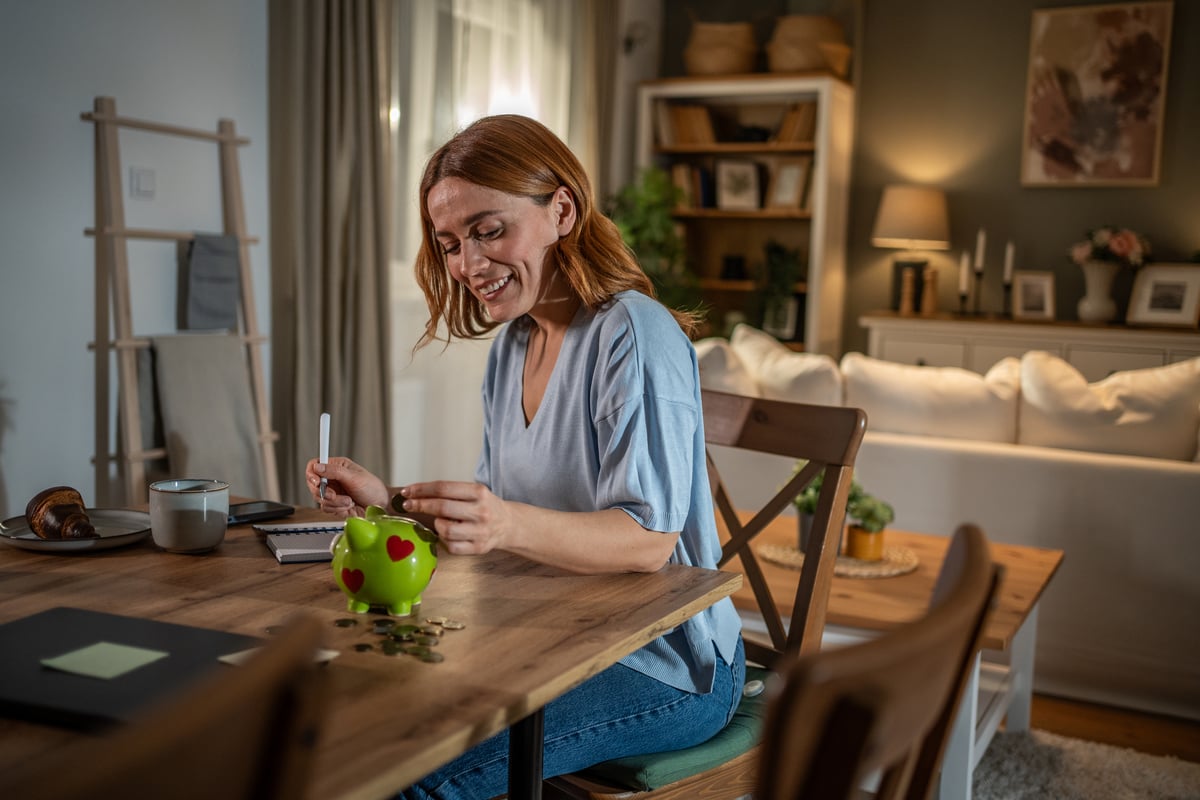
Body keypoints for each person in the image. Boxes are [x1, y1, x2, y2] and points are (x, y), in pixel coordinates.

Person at [306, 114, 744, 800]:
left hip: (662, 663)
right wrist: (386, 503)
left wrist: (504, 523)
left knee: (402, 779)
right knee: (349, 726)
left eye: (487, 230)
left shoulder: (633, 332)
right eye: (450, 243)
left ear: (561, 209)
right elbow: (497, 528)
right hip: (548, 632)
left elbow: (650, 541)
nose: (468, 264)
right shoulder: (513, 348)